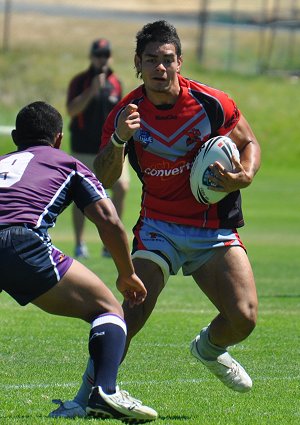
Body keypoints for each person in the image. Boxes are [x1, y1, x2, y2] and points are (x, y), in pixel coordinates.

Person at [49, 20, 261, 418]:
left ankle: (209, 348)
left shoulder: (211, 103)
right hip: (158, 227)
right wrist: (117, 141)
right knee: (130, 308)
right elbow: (106, 178)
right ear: (137, 64)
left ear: (179, 62)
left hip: (213, 228)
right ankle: (87, 396)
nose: (160, 68)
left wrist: (244, 174)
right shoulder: (125, 113)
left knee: (244, 317)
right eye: (151, 60)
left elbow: (248, 142)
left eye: (167, 60)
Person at [0, 101, 157, 422]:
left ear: (15, 136)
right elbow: (109, 221)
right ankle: (106, 392)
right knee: (108, 310)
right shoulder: (68, 164)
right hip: (20, 242)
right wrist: (126, 274)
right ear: (58, 139)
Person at [67, 38, 130, 259]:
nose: (102, 59)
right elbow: (72, 110)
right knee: (80, 195)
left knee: (121, 187)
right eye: (98, 54)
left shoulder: (116, 83)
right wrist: (91, 91)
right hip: (83, 148)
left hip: (110, 148)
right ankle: (79, 243)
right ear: (91, 56)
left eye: (106, 54)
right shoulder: (79, 81)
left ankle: (110, 244)